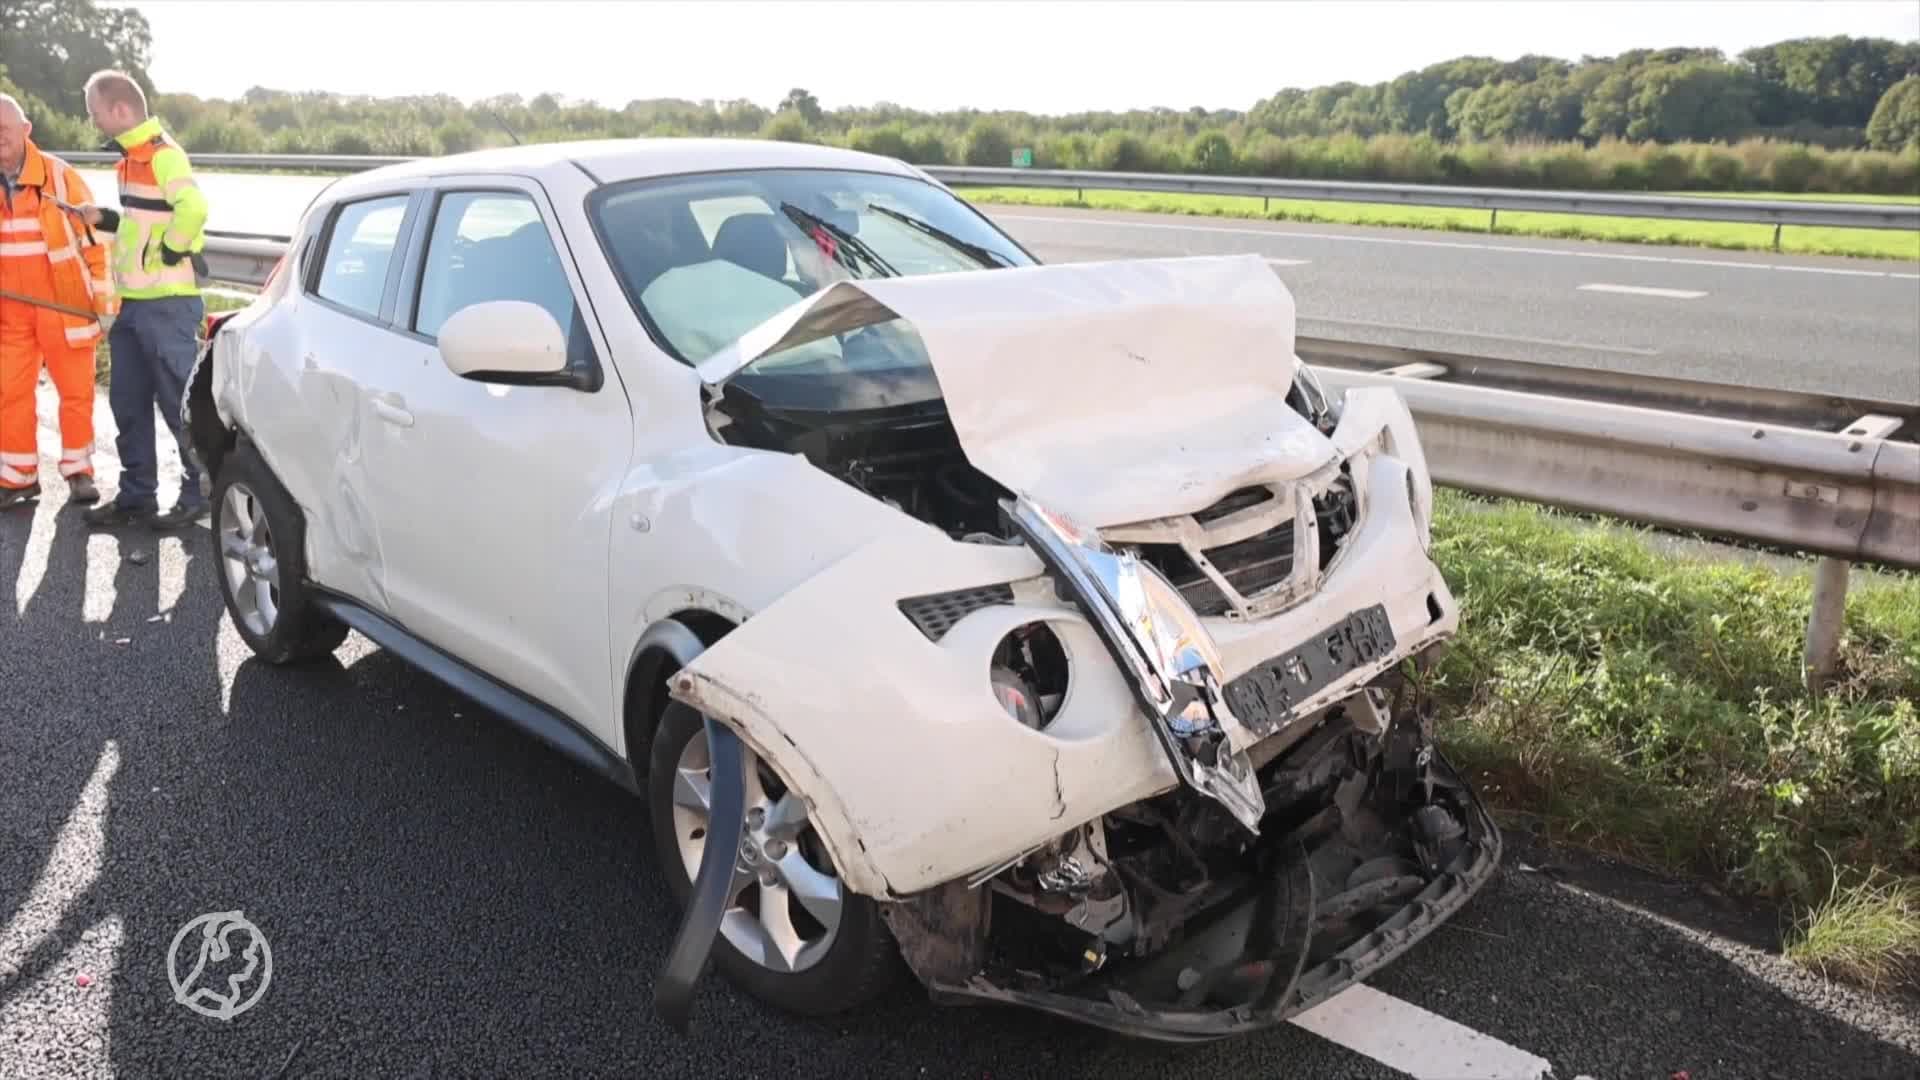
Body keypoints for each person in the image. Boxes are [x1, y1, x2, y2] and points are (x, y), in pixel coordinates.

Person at [70, 69, 210, 529]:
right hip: (136, 303)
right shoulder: (129, 161)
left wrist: (172, 250)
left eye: (93, 114)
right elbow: (144, 220)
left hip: (167, 304)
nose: (93, 122)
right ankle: (137, 496)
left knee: (178, 404)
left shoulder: (163, 155)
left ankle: (199, 492)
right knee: (127, 402)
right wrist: (105, 218)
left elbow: (194, 209)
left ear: (119, 110)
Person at [0, 92, 116, 510]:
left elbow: (96, 245)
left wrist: (104, 306)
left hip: (63, 308)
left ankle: (79, 470)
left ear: (26, 130)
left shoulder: (59, 177)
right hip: (10, 315)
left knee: (76, 392)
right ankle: (17, 477)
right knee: (8, 394)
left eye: (5, 130)